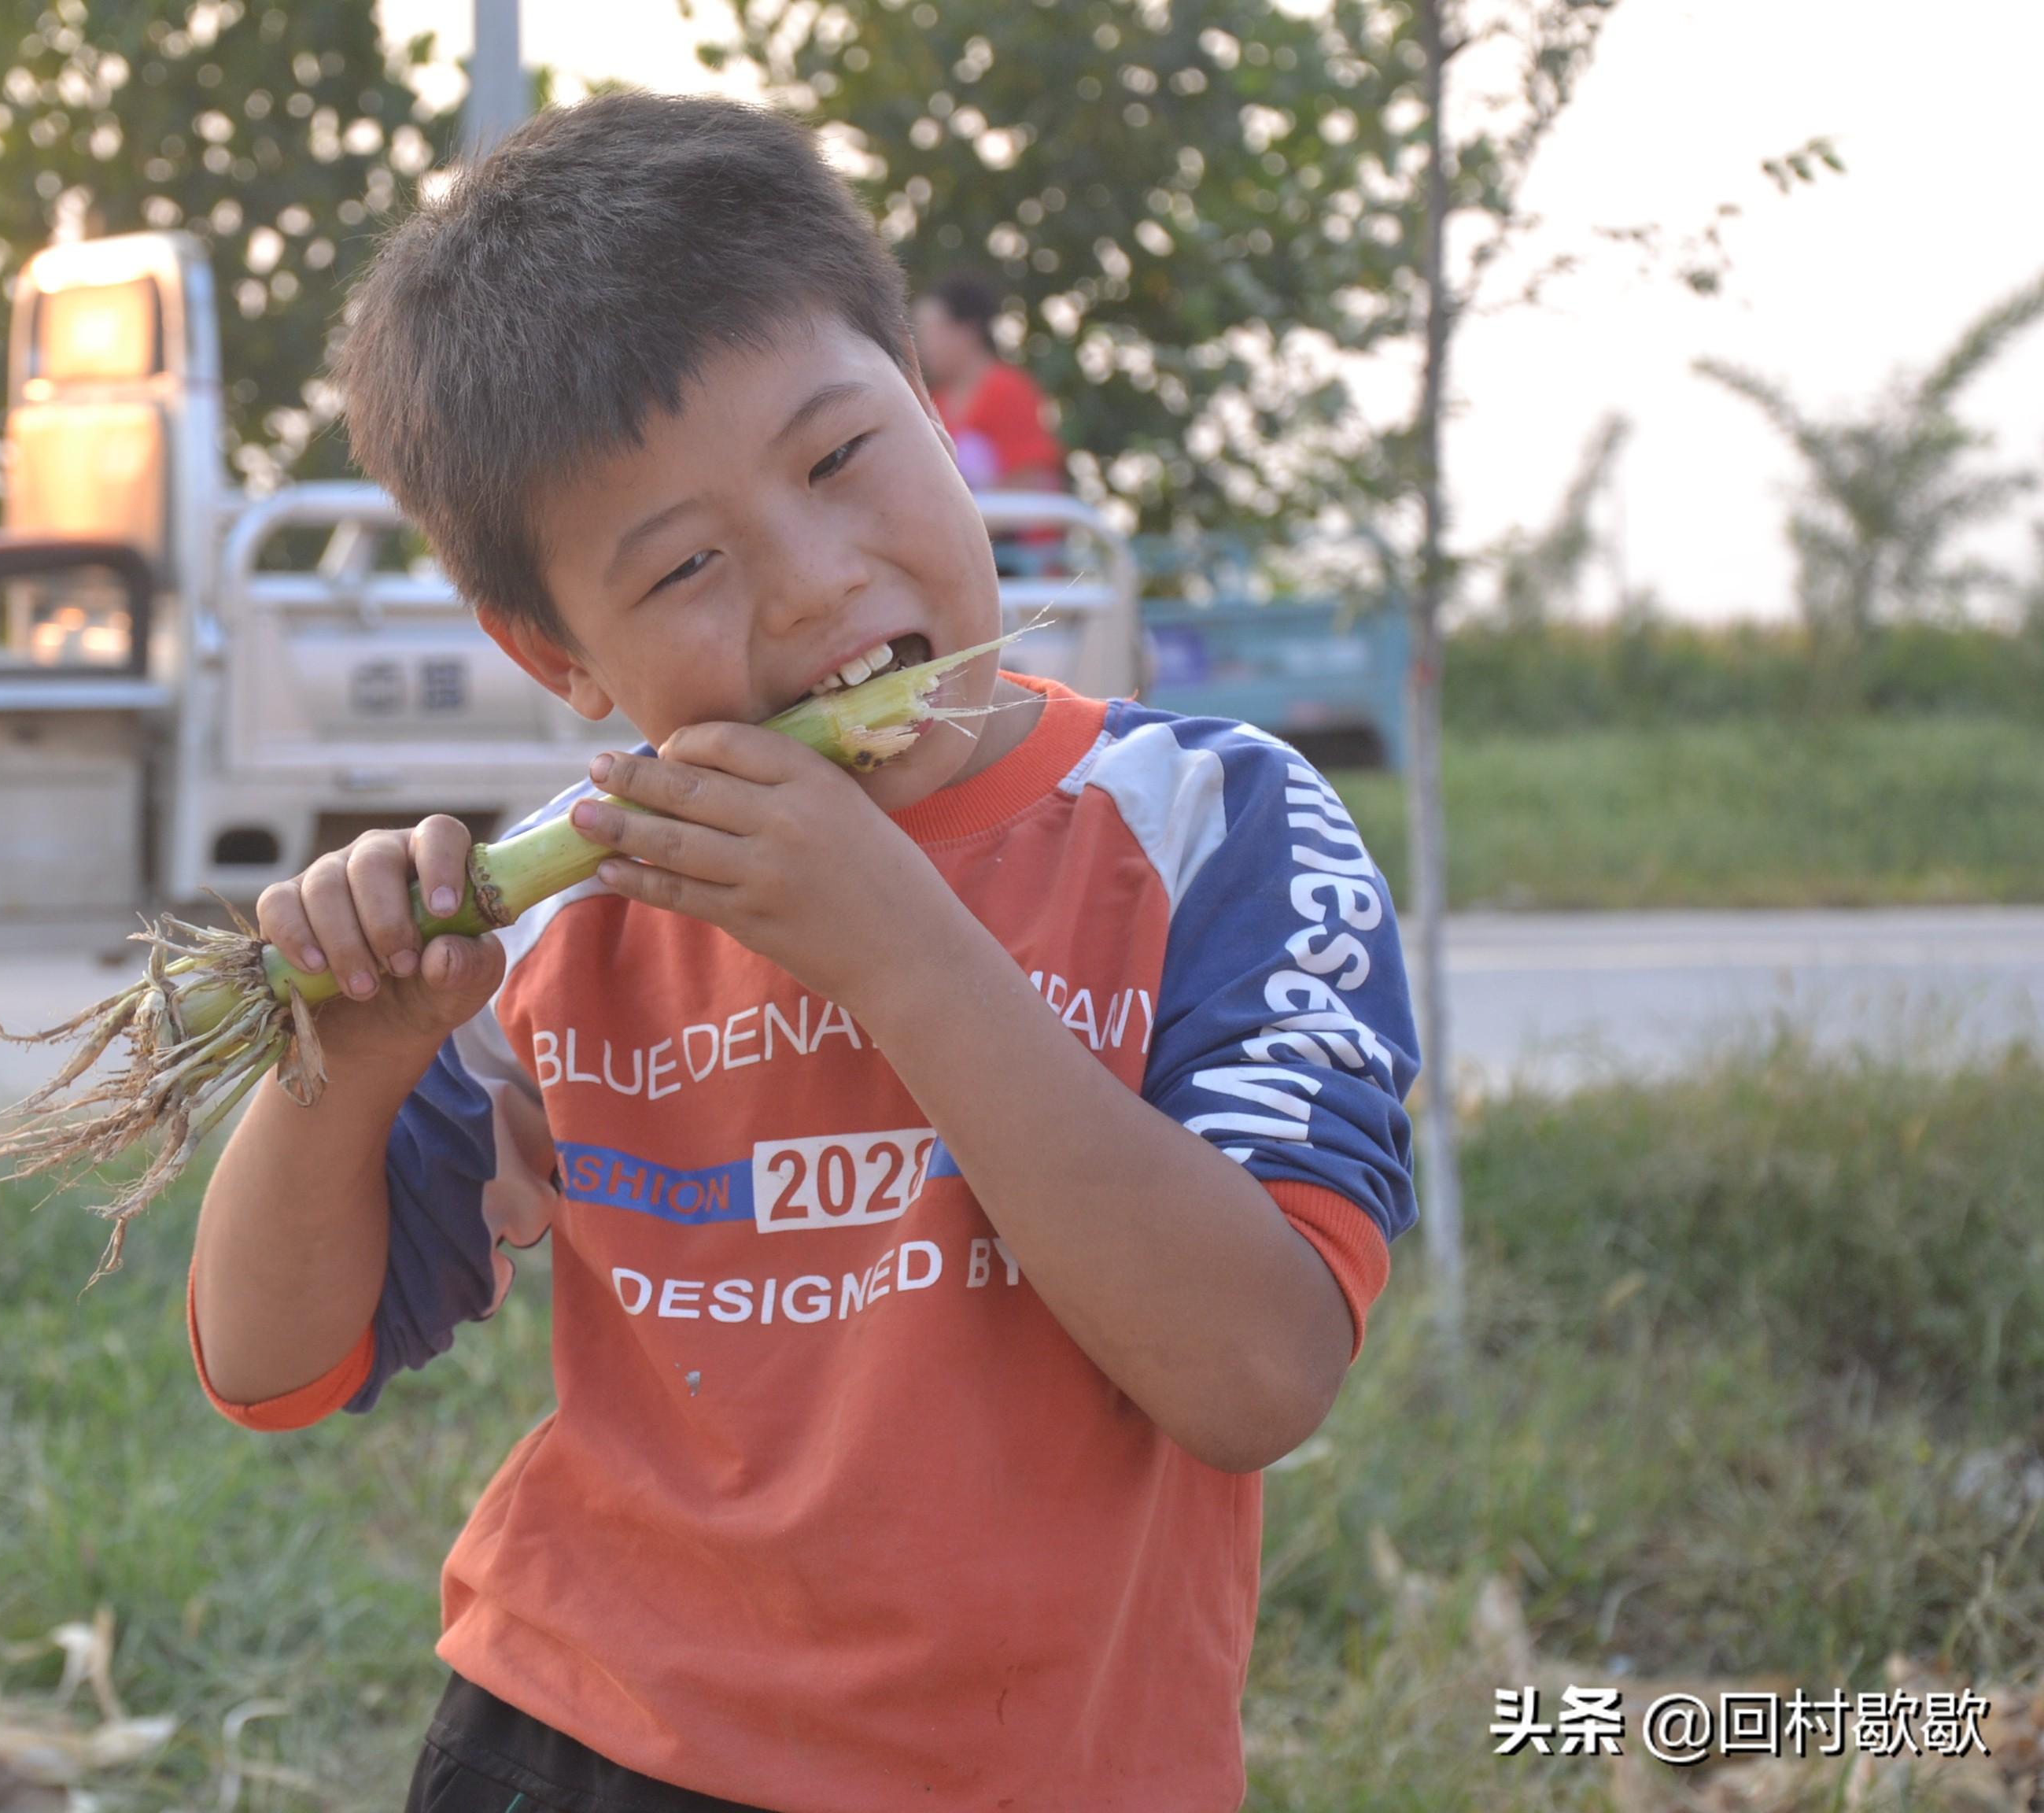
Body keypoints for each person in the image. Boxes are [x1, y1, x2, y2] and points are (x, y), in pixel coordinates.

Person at [188, 94, 1419, 1812]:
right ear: (557, 654)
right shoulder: (566, 913)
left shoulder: (1215, 824)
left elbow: (1257, 1372)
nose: (811, 586)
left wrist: (900, 953)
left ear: (931, 401)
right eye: (684, 565)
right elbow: (272, 1363)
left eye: (843, 457)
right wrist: (348, 1067)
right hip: (576, 1743)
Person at [912, 271, 1064, 493]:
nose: (923, 346)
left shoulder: (1009, 390)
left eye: (932, 331)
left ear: (967, 330)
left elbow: (1036, 480)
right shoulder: (931, 401)